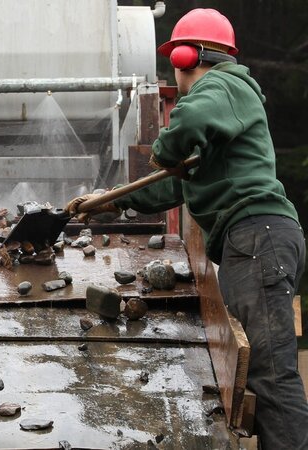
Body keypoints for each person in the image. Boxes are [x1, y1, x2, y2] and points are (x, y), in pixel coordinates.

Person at [66, 8, 307, 449]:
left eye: (173, 60)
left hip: (256, 236)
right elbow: (172, 188)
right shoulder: (223, 119)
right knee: (266, 372)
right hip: (260, 239)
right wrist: (109, 204)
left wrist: (164, 148)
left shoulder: (223, 85)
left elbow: (185, 127)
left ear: (184, 55)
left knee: (273, 375)